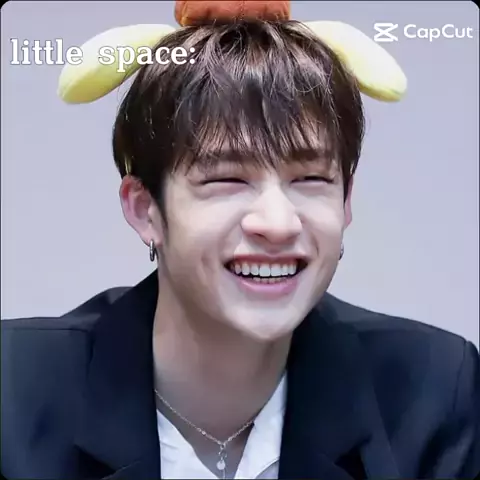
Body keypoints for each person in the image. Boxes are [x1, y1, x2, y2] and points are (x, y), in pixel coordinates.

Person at [1, 1, 479, 479]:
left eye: (311, 179)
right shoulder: (14, 390)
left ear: (346, 201)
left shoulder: (431, 390)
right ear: (145, 210)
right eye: (226, 180)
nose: (278, 223)